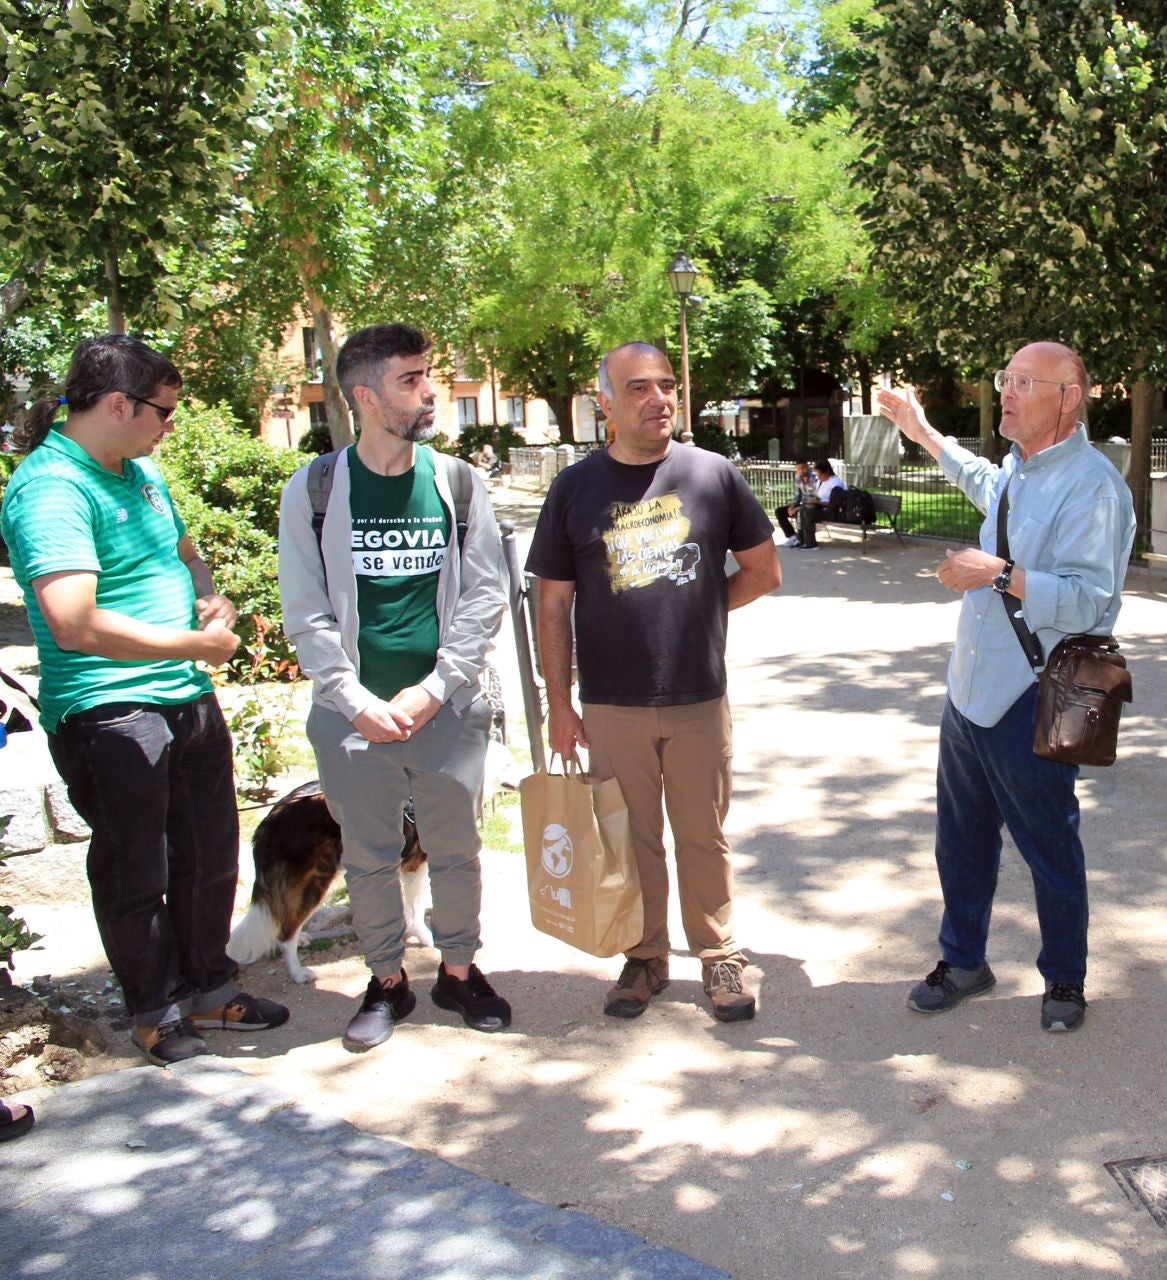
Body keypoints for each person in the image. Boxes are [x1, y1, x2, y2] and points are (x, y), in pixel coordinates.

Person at [0, 335, 289, 1067]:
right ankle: (155, 1012)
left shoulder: (140, 471)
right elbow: (74, 620)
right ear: (118, 403)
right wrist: (194, 648)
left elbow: (187, 553)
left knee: (209, 857)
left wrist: (209, 600)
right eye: (163, 411)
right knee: (139, 872)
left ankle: (210, 989)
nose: (170, 426)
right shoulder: (51, 489)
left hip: (184, 701)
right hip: (109, 710)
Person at [875, 341, 1134, 1033]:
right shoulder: (1020, 470)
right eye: (1005, 377)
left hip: (1034, 691)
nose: (1008, 392)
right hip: (970, 688)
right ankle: (963, 961)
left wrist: (997, 572)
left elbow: (1089, 601)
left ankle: (1065, 981)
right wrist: (922, 430)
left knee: (1048, 841)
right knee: (959, 839)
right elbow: (980, 479)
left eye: (1025, 381)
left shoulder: (1093, 485)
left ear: (1069, 396)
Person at [528, 342, 781, 1024]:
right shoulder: (574, 489)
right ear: (605, 403)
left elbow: (763, 571)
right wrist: (560, 703)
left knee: (704, 834)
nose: (659, 399)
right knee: (630, 837)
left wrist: (698, 602)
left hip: (698, 696)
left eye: (667, 385)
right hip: (611, 702)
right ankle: (644, 956)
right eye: (638, 388)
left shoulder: (713, 475)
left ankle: (719, 955)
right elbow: (551, 604)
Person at [278, 323, 512, 1052]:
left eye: (427, 375)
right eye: (411, 379)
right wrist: (356, 700)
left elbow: (485, 593)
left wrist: (437, 687)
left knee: (457, 850)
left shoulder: (456, 483)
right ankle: (386, 982)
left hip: (444, 709)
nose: (430, 390)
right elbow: (305, 609)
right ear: (364, 396)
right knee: (369, 855)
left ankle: (460, 970)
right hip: (354, 718)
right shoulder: (315, 489)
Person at [797, 458, 847, 549]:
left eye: (820, 475)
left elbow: (835, 504)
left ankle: (811, 543)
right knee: (803, 510)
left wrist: (817, 502)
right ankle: (802, 540)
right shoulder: (821, 482)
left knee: (808, 514)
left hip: (833, 511)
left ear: (827, 472)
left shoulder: (836, 483)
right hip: (821, 508)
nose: (818, 478)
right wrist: (813, 501)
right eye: (817, 475)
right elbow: (818, 496)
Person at [776, 459, 816, 547]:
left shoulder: (815, 478)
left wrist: (799, 507)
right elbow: (797, 496)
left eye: (803, 468)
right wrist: (792, 506)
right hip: (803, 503)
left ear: (807, 467)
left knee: (800, 512)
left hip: (814, 504)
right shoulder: (798, 478)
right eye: (798, 469)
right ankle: (792, 536)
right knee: (780, 511)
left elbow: (817, 497)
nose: (801, 471)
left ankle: (802, 538)